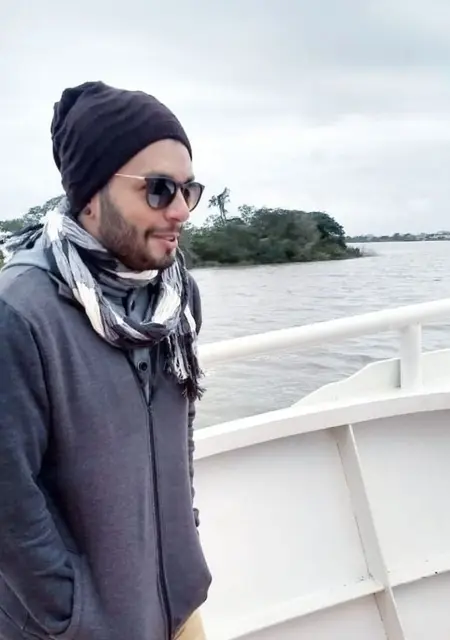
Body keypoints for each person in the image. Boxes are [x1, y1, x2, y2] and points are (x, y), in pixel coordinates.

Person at [0, 81, 211, 640]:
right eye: (159, 190)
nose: (181, 211)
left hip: (176, 604)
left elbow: (181, 432)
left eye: (189, 189)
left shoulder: (175, 298)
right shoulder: (20, 314)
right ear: (91, 193)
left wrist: (183, 537)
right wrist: (72, 614)